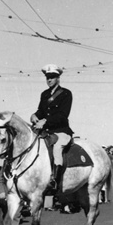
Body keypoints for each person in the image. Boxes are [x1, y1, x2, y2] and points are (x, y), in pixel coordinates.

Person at [30, 64, 73, 194]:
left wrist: (45, 121)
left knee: (57, 149)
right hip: (46, 132)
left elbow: (63, 115)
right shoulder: (44, 94)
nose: (49, 80)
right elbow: (41, 111)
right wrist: (34, 115)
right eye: (47, 77)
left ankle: (54, 180)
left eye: (52, 77)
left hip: (61, 131)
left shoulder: (66, 93)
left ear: (58, 78)